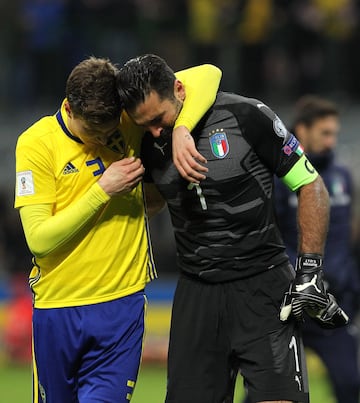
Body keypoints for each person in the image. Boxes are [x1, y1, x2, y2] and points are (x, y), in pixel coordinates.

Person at [117, 54, 348, 403]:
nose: (154, 131)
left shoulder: (246, 115)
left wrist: (310, 269)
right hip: (197, 293)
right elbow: (154, 201)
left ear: (179, 89)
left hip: (264, 287)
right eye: (144, 124)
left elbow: (310, 185)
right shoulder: (147, 141)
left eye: (159, 119)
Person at [14, 56, 221, 403]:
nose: (103, 140)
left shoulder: (125, 118)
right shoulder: (36, 143)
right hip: (57, 308)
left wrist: (182, 127)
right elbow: (39, 239)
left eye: (109, 133)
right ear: (68, 107)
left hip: (120, 306)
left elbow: (208, 74)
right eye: (93, 133)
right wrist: (102, 190)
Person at [274, 95, 360, 403]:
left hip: (334, 305)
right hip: (290, 307)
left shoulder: (342, 177)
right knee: (272, 393)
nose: (331, 140)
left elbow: (349, 235)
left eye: (334, 133)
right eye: (325, 133)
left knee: (350, 385)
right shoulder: (278, 181)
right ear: (302, 130)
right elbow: (270, 237)